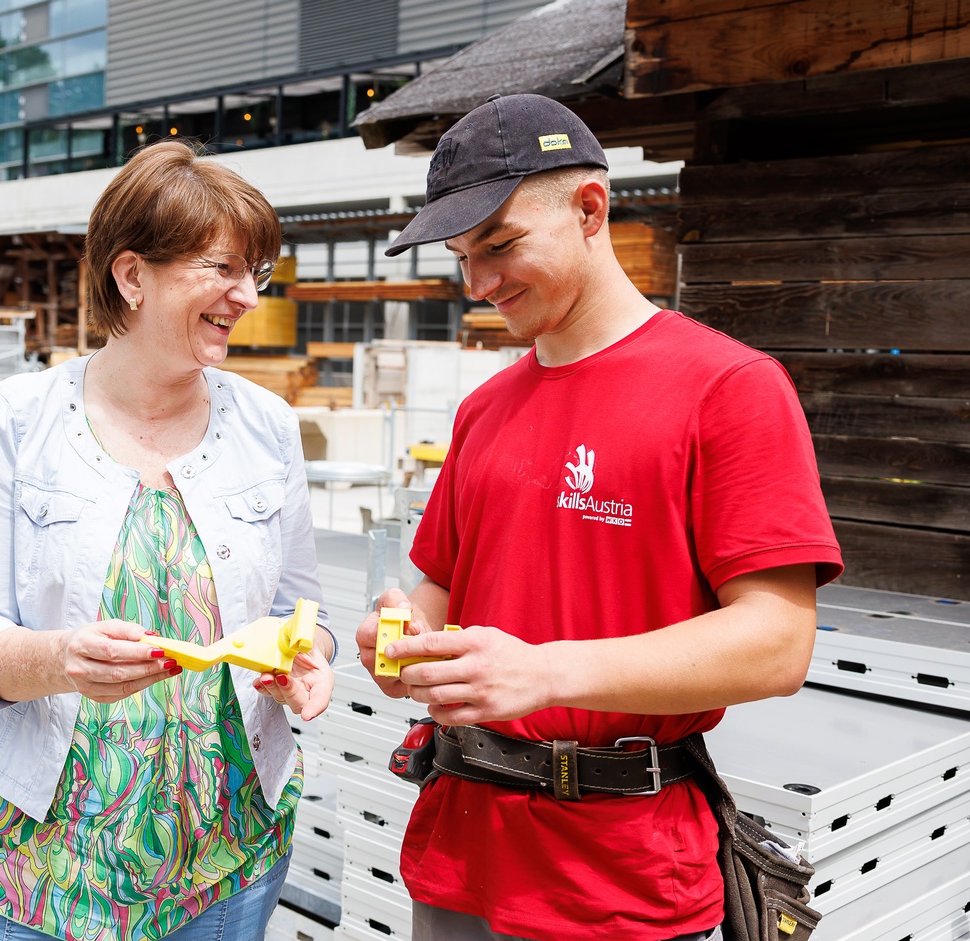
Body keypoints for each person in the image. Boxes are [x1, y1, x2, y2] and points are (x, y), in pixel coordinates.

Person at [356, 95, 843, 941]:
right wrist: (400, 641)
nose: (480, 284)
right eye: (463, 257)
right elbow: (433, 590)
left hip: (618, 872)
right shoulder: (484, 409)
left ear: (590, 209)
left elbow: (777, 643)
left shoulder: (728, 388)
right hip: (461, 847)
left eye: (501, 246)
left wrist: (544, 673)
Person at [0, 141, 337, 941]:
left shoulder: (269, 426)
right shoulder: (21, 419)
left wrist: (309, 657)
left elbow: (301, 608)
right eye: (222, 268)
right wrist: (59, 661)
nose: (245, 295)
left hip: (225, 863)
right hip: (30, 864)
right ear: (131, 276)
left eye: (254, 272)